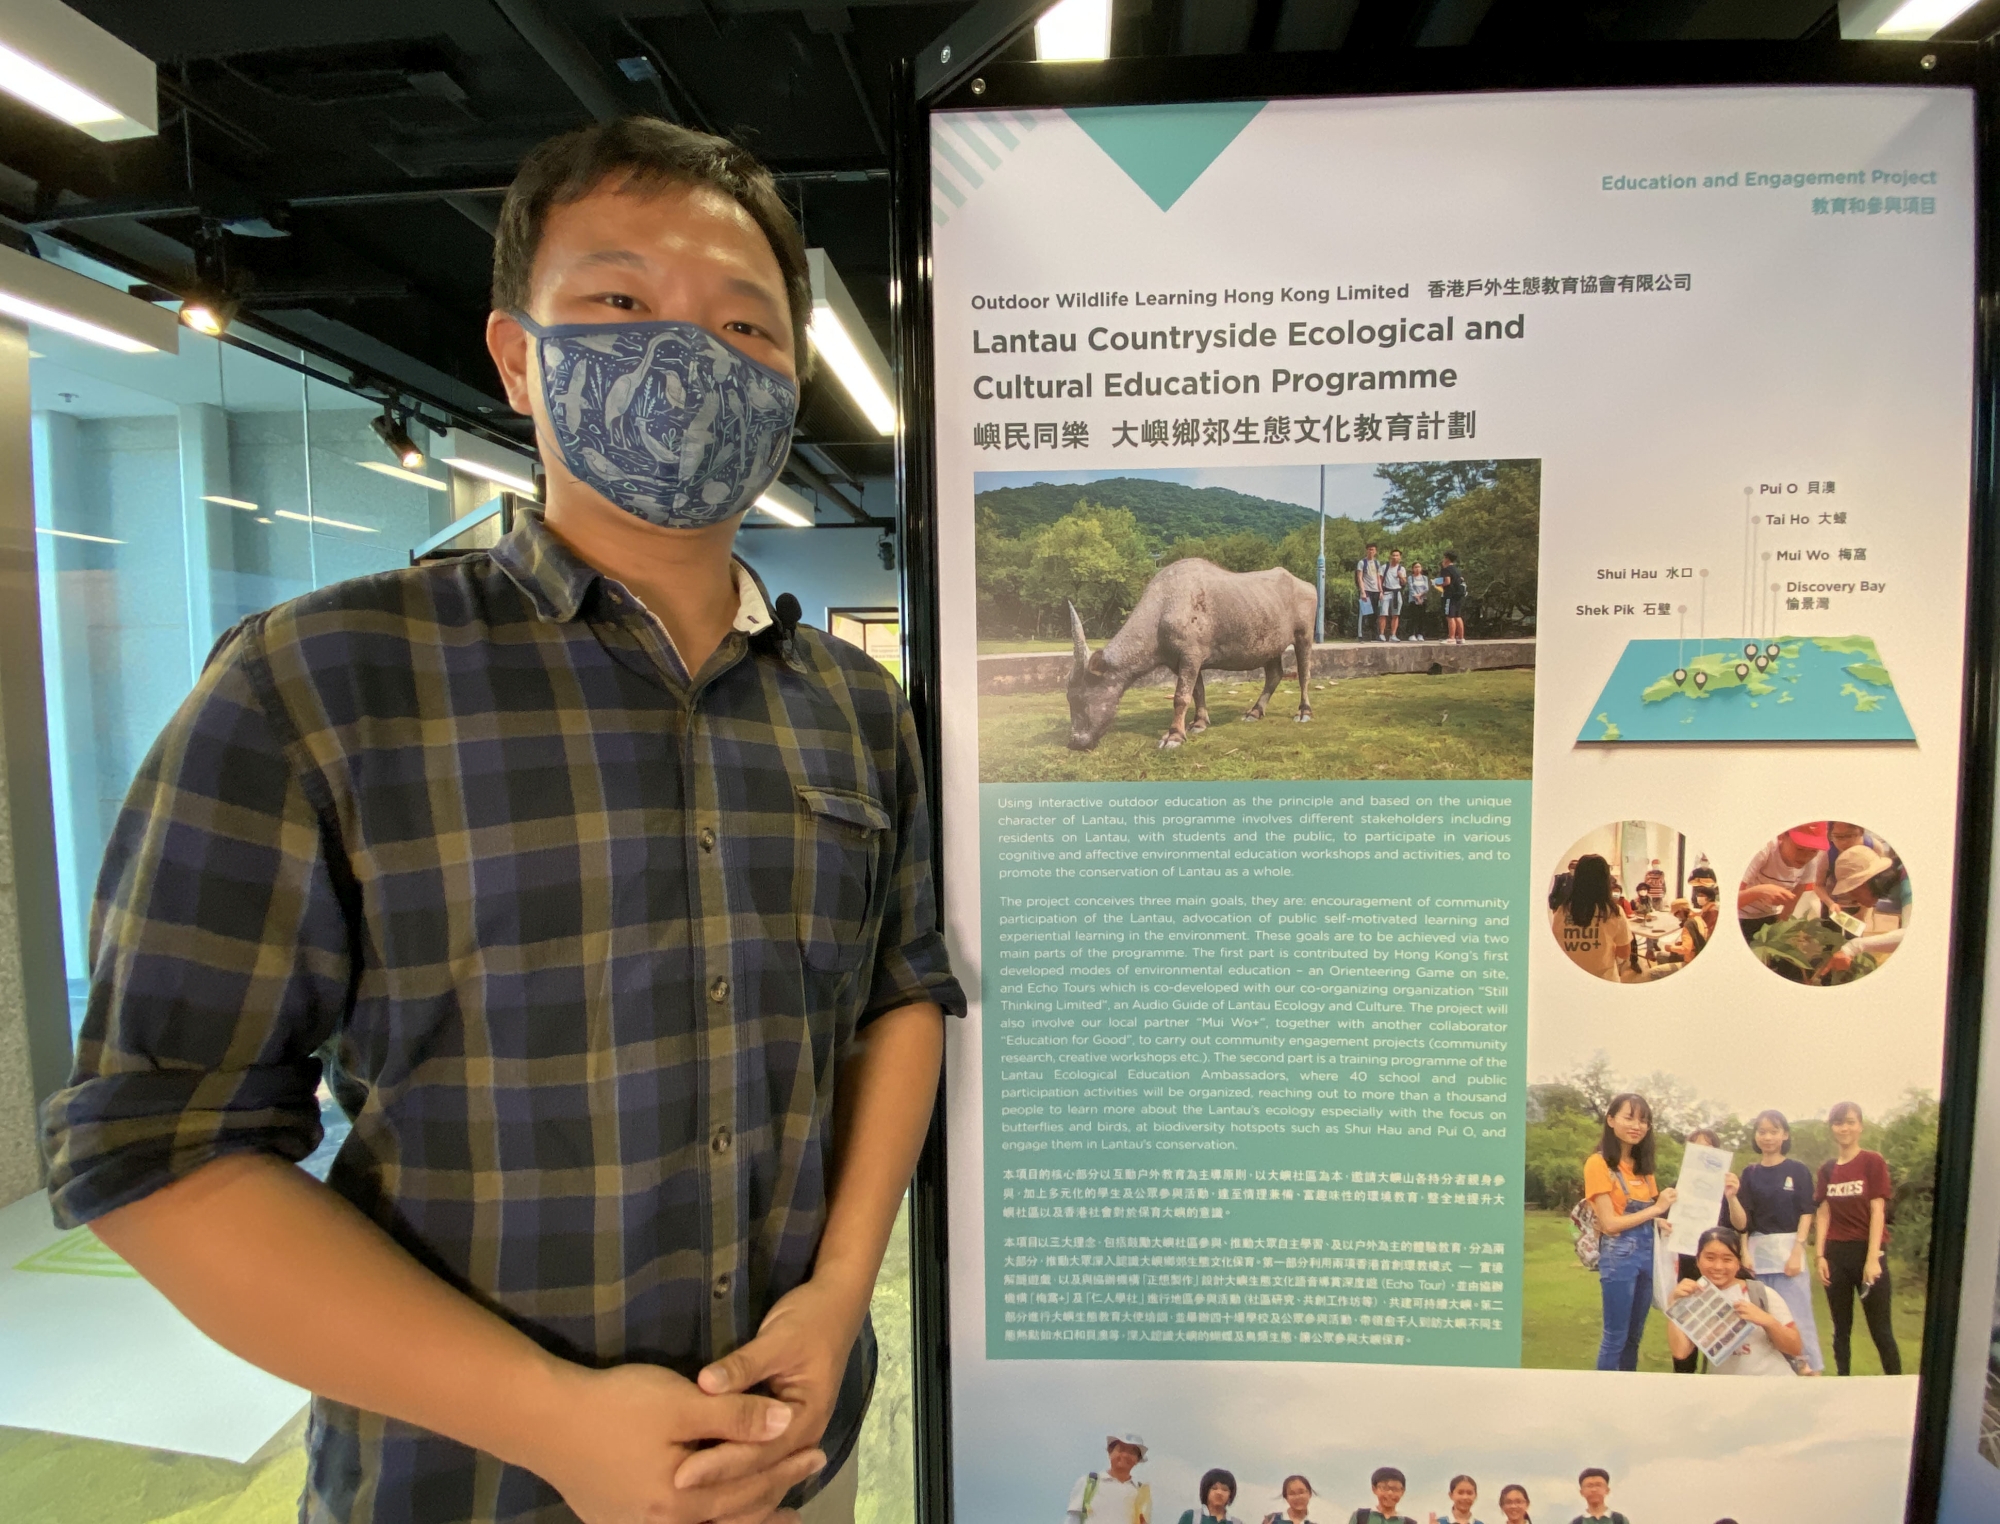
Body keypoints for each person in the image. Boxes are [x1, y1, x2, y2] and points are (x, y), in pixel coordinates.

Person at [40, 117, 965, 1524]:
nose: (691, 353)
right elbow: (155, 1146)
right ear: (518, 356)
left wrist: (838, 1304)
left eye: (747, 326)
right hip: (466, 1485)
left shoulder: (849, 704)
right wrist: (553, 1421)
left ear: (788, 384)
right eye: (619, 302)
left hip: (788, 1461)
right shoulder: (319, 682)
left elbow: (901, 991)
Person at [1585, 1093, 1678, 1370]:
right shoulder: (1598, 1164)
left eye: (1644, 1120)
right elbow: (1610, 1223)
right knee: (1615, 1337)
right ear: (1611, 1120)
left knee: (1634, 1339)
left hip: (1647, 1256)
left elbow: (1643, 1215)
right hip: (1619, 1256)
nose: (1637, 1126)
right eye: (1629, 1117)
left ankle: (1627, 1395)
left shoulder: (1643, 1168)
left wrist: (1658, 1222)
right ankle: (1602, 1397)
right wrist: (1657, 1210)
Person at [1816, 1100, 1902, 1374]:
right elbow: (1824, 1214)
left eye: (1850, 1122)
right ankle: (1843, 1382)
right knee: (1841, 1329)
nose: (1845, 1128)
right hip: (1836, 1253)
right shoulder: (1828, 1169)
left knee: (1880, 1330)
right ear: (1832, 1128)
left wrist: (1873, 1258)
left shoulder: (1871, 1161)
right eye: (1839, 1123)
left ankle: (1896, 1386)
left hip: (1867, 1251)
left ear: (1860, 1126)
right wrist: (1820, 1255)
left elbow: (1878, 1210)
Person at [1736, 1109, 1824, 1372]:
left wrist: (1798, 1251)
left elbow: (1807, 1212)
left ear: (1784, 1134)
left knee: (1798, 1318)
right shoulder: (1749, 1173)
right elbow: (1744, 1220)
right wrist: (1744, 1252)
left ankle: (1811, 1372)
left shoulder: (1797, 1170)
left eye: (1774, 1131)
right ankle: (1775, 1372)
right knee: (1764, 1319)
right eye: (1762, 1131)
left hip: (1789, 1256)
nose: (1768, 1137)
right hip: (1757, 1257)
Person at [1664, 1226, 1803, 1376]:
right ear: (1697, 1260)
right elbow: (1680, 1352)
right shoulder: (1695, 1298)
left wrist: (1767, 1321)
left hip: (1770, 1386)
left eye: (1727, 1259)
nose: (1718, 1266)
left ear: (1738, 1263)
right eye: (1710, 1258)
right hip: (1725, 1391)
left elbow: (1795, 1347)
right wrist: (1675, 1305)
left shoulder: (1761, 1294)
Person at [1551, 854, 1633, 983]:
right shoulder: (1613, 911)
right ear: (1606, 880)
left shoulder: (1562, 910)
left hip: (1569, 979)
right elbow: (1624, 953)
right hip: (1604, 978)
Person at [1737, 824, 1828, 933]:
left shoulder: (1810, 863)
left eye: (1814, 851)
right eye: (1799, 849)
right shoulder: (1764, 850)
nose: (1806, 857)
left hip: (1771, 914)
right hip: (1741, 915)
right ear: (1782, 836)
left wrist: (1780, 929)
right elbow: (1731, 901)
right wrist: (1759, 891)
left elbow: (1792, 901)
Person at [1068, 1435, 1153, 1524]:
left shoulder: (1140, 1491)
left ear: (1138, 1460)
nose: (1125, 1455)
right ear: (1110, 1452)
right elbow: (1073, 1519)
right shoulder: (1090, 1483)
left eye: (1131, 1452)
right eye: (1121, 1449)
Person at [1349, 1467, 1416, 1524]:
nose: (1390, 1493)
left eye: (1395, 1489)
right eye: (1385, 1488)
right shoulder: (1361, 1517)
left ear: (1402, 1492)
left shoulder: (1409, 1523)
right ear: (1374, 1489)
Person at [1437, 550, 1468, 643]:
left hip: (1450, 595)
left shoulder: (1446, 569)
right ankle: (1461, 637)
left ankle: (1451, 637)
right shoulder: (1457, 570)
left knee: (1450, 616)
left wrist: (1438, 584)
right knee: (1457, 616)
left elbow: (1447, 581)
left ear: (1447, 559)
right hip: (1458, 595)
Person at [1379, 548, 1408, 641]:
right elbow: (1379, 579)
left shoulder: (1401, 569)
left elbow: (1404, 583)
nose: (1395, 557)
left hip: (1397, 592)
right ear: (1390, 556)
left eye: (1397, 555)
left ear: (1400, 557)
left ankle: (1393, 635)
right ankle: (1381, 634)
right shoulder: (1384, 567)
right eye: (1393, 555)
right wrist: (1380, 591)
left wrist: (1401, 577)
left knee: (1396, 615)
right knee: (1383, 614)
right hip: (1386, 592)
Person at [1356, 543, 1383, 640]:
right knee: (1365, 613)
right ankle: (1361, 635)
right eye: (1369, 549)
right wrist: (1362, 591)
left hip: (1375, 590)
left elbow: (1378, 578)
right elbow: (1360, 577)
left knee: (1375, 614)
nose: (1371, 551)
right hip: (1366, 590)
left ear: (1375, 551)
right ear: (1366, 550)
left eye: (1373, 549)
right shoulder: (1362, 562)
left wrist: (1381, 591)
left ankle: (1375, 635)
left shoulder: (1377, 563)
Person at [1407, 561, 1432, 641]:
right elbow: (1411, 588)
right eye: (1415, 567)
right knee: (1414, 617)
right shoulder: (1410, 578)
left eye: (1419, 567)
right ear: (1413, 569)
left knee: (1422, 617)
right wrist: (1417, 597)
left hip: (1423, 599)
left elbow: (1426, 588)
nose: (1417, 569)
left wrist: (1421, 595)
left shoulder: (1424, 578)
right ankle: (1412, 634)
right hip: (1413, 600)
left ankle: (1420, 634)